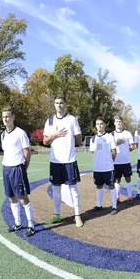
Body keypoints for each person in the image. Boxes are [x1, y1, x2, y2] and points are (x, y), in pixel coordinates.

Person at [42, 95, 84, 227]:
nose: (59, 105)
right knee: (56, 189)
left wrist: (69, 145)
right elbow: (45, 141)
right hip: (55, 161)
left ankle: (77, 216)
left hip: (69, 160)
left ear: (65, 105)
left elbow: (78, 140)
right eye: (56, 103)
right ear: (54, 105)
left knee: (73, 189)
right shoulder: (49, 121)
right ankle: (56, 215)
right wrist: (54, 135)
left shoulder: (72, 120)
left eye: (61, 103)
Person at [0, 107, 35, 237]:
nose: (5, 119)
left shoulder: (20, 133)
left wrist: (23, 168)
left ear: (13, 117)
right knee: (11, 197)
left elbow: (27, 152)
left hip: (17, 168)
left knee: (22, 197)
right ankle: (18, 223)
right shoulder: (3, 135)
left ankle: (31, 225)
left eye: (8, 116)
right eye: (3, 117)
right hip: (6, 168)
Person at [90, 118, 119, 215]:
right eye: (97, 124)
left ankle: (114, 206)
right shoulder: (93, 139)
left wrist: (110, 162)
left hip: (108, 167)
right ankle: (99, 205)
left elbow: (114, 152)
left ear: (104, 125)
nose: (99, 125)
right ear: (95, 126)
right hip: (97, 168)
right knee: (99, 186)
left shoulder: (109, 137)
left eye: (101, 124)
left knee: (111, 186)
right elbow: (93, 153)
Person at [112, 116, 135, 206]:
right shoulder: (111, 135)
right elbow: (109, 148)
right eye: (117, 121)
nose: (118, 123)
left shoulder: (127, 133)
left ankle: (129, 197)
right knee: (117, 180)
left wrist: (126, 151)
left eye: (120, 121)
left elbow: (132, 146)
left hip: (126, 161)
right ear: (114, 123)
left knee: (128, 179)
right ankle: (118, 197)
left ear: (122, 122)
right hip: (116, 162)